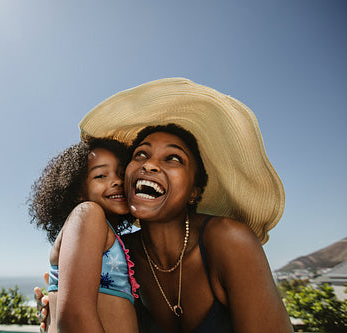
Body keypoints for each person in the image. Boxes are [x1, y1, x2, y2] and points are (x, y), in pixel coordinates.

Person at [36, 78, 293, 332]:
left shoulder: (229, 241)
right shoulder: (120, 254)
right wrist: (53, 308)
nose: (149, 165)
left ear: (195, 190)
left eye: (173, 158)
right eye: (140, 155)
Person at [29, 138, 140, 333]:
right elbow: (74, 318)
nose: (117, 181)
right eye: (100, 176)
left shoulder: (106, 233)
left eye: (122, 174)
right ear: (77, 192)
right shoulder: (89, 213)